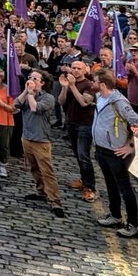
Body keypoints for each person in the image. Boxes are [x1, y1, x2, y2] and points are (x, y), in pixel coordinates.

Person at [92, 69, 138, 237]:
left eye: (94, 81)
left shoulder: (120, 103)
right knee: (110, 184)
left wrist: (131, 146)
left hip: (116, 151)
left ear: (102, 84)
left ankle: (132, 223)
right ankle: (115, 215)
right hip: (101, 148)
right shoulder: (99, 97)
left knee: (124, 187)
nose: (92, 83)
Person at [16, 71, 65, 218]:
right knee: (34, 168)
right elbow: (16, 104)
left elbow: (35, 108)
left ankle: (55, 201)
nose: (31, 80)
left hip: (41, 140)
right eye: (30, 78)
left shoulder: (48, 98)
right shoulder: (28, 94)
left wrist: (30, 94)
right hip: (27, 137)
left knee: (47, 171)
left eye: (35, 79)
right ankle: (41, 191)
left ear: (42, 83)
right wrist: (26, 91)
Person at [58, 59, 97, 202]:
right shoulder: (69, 84)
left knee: (84, 155)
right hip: (71, 122)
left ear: (85, 70)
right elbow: (61, 102)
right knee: (77, 154)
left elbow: (84, 102)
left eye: (79, 68)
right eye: (73, 68)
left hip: (84, 124)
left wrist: (73, 86)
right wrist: (64, 88)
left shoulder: (89, 85)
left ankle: (90, 187)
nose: (75, 70)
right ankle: (83, 179)